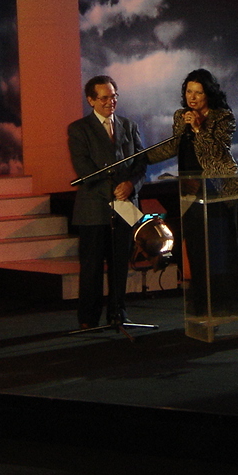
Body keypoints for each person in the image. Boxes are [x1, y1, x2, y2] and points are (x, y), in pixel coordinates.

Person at [146, 69, 238, 311]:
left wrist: (199, 129)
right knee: (196, 248)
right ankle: (201, 301)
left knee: (220, 250)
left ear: (208, 94)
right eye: (189, 92)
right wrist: (141, 158)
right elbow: (173, 146)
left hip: (218, 191)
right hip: (190, 192)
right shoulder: (182, 116)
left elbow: (216, 152)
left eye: (198, 93)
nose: (192, 97)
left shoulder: (223, 117)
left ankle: (227, 302)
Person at [67, 74, 146, 329]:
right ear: (91, 100)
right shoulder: (79, 129)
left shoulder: (129, 126)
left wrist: (131, 185)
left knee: (120, 265)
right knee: (91, 267)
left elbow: (141, 164)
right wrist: (114, 191)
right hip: (94, 208)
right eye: (104, 98)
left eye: (113, 96)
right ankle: (88, 318)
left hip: (125, 207)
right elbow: (84, 169)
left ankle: (118, 313)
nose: (110, 102)